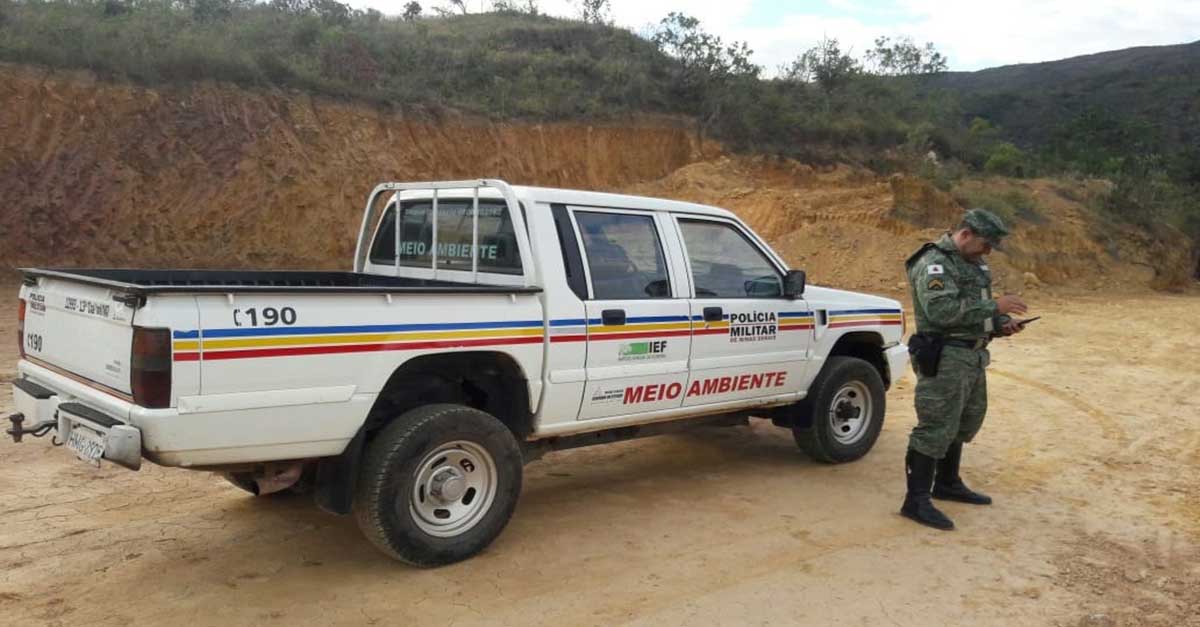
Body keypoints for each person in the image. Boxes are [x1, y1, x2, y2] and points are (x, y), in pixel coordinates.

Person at [901, 208, 1029, 530]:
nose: (988, 252)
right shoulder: (935, 262)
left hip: (971, 355)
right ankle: (915, 501)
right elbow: (941, 311)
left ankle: (947, 483)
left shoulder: (974, 263)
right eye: (986, 244)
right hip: (945, 356)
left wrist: (1001, 324)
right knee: (935, 425)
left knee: (962, 421)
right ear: (966, 234)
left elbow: (975, 310)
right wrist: (995, 306)